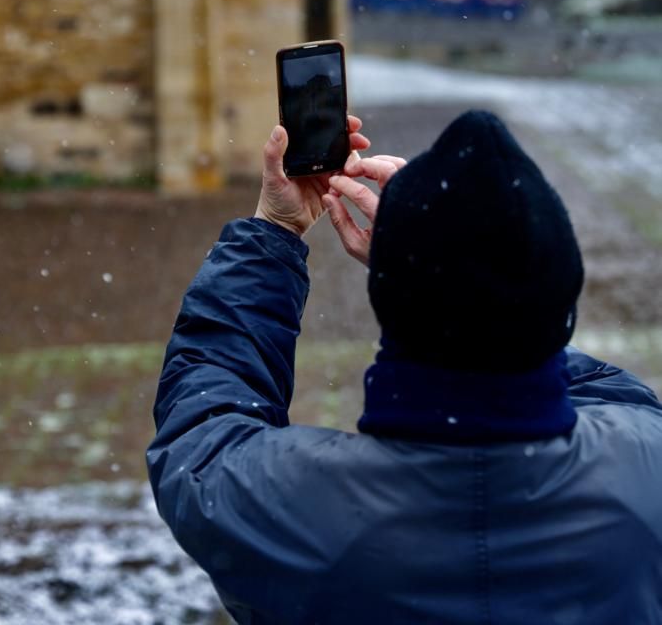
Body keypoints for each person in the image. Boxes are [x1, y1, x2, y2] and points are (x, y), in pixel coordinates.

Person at [147, 109, 662, 625]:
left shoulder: (301, 513)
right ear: (557, 301)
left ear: (394, 302)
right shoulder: (643, 479)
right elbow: (616, 394)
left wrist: (277, 231)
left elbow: (203, 419)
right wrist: (459, 278)